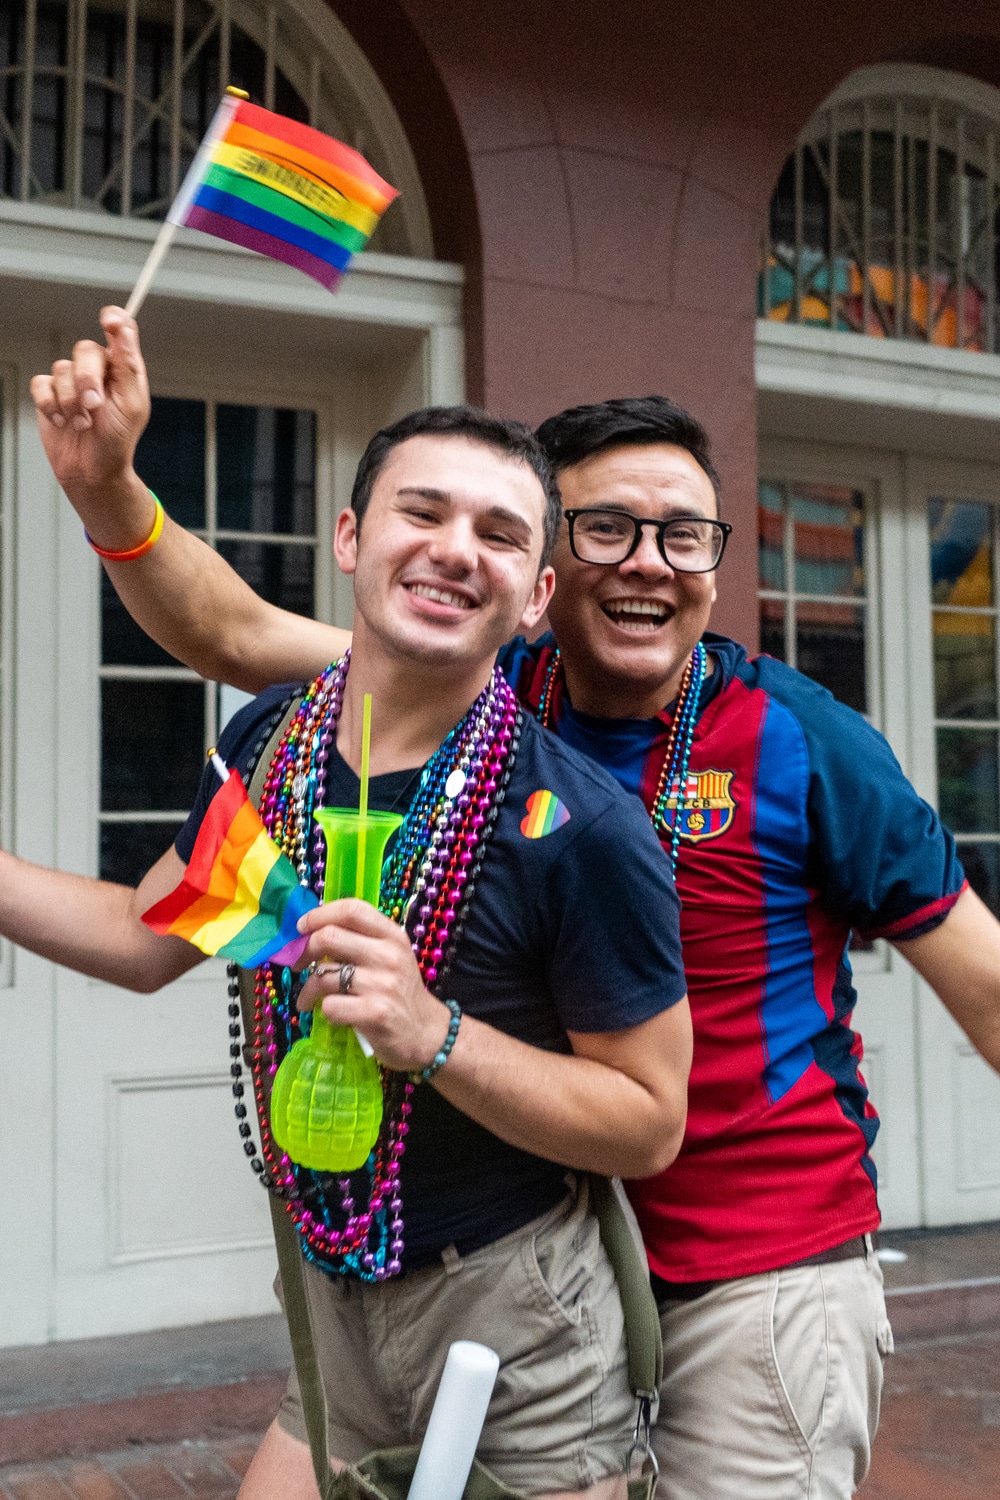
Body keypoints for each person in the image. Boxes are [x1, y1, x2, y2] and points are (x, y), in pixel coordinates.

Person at [32, 313, 1000, 1500]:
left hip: (757, 1267)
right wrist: (109, 488)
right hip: (545, 1241)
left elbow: (988, 992)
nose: (648, 560)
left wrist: (430, 1030)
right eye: (607, 527)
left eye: (684, 535)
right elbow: (234, 632)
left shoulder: (804, 741)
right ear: (554, 576)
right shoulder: (488, 682)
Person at [3, 381, 696, 1500]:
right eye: (422, 512)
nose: (454, 550)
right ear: (350, 537)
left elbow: (649, 1122)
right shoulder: (274, 746)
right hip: (332, 1295)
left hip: (518, 1323)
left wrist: (435, 1033)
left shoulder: (579, 825)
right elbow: (146, 939)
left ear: (536, 597)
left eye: (499, 533)